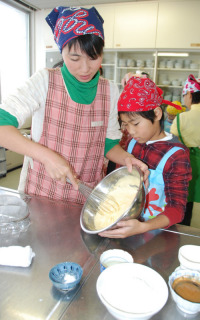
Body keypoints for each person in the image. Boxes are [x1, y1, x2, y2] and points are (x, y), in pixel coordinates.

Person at [0, 6, 149, 203]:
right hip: (41, 193)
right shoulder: (44, 81)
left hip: (86, 194)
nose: (85, 68)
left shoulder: (110, 91)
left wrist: (127, 159)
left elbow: (107, 143)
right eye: (75, 58)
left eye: (94, 57)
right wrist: (46, 156)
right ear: (62, 52)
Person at [99, 76, 192, 239]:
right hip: (127, 226)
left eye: (135, 124)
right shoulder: (131, 143)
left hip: (157, 235)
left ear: (156, 113)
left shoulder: (177, 155)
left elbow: (177, 209)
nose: (131, 131)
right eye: (125, 124)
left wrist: (142, 227)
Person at [170, 74, 200, 225]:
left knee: (174, 197)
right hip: (194, 162)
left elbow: (170, 145)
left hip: (178, 162)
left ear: (189, 94)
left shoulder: (181, 118)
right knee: (189, 202)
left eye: (184, 95)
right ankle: (185, 229)